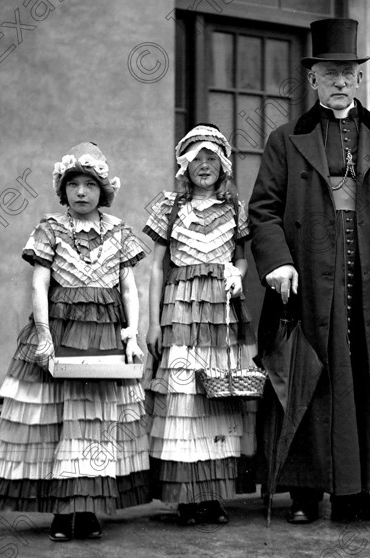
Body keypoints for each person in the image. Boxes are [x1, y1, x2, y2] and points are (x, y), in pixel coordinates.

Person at [248, 18, 370, 524]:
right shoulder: (286, 139)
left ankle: (357, 493)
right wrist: (279, 261)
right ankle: (304, 493)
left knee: (368, 380)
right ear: (312, 80)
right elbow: (262, 210)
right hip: (306, 277)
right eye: (330, 72)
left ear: (360, 78)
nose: (341, 81)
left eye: (348, 71)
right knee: (310, 377)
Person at [0, 142, 151, 541]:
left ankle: (88, 509)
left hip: (106, 331)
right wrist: (43, 336)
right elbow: (40, 284)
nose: (81, 192)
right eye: (73, 184)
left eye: (89, 184)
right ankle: (63, 510)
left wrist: (133, 334)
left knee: (96, 421)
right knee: (57, 420)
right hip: (61, 330)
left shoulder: (119, 231)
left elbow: (129, 289)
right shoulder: (49, 228)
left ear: (102, 191)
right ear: (63, 191)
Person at [143, 124, 257, 524]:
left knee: (217, 399)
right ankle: (187, 498)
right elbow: (157, 266)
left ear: (223, 165)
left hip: (221, 313)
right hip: (180, 311)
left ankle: (213, 495)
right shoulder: (169, 206)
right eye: (196, 159)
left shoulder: (234, 208)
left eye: (211, 158)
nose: (203, 166)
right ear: (184, 166)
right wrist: (154, 322)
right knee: (184, 398)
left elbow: (241, 256)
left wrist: (237, 273)